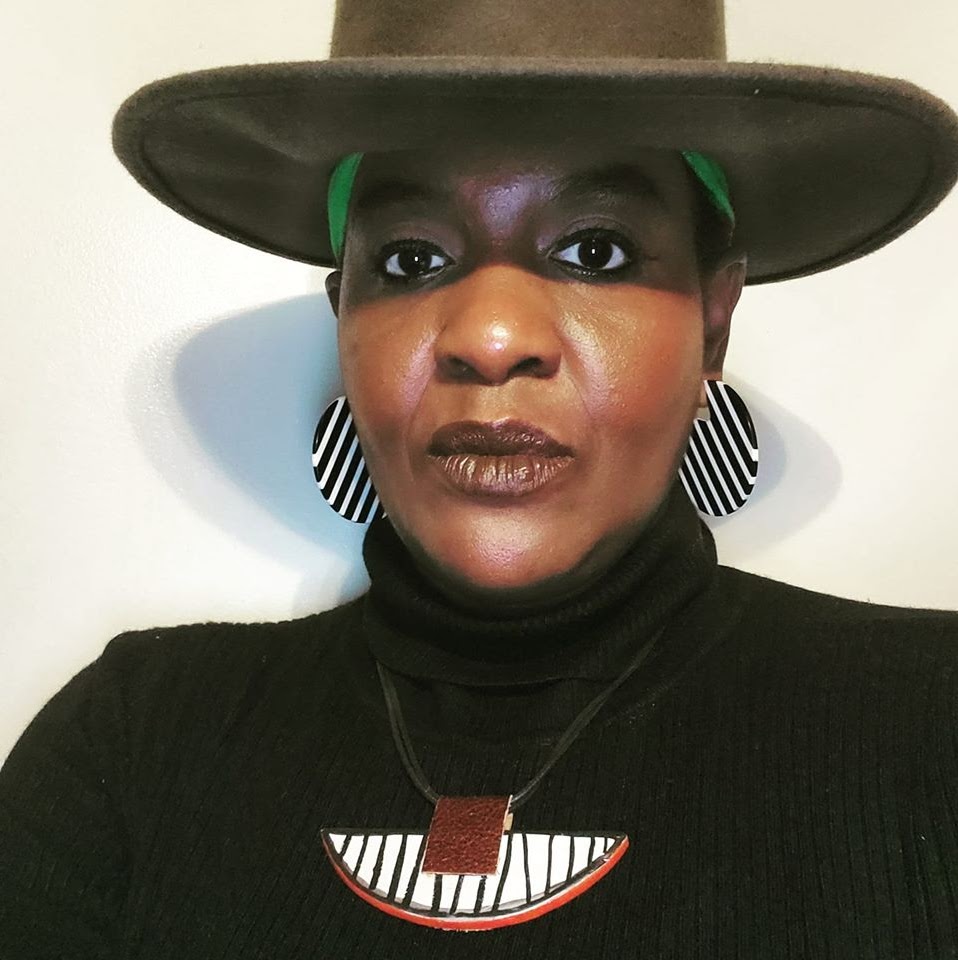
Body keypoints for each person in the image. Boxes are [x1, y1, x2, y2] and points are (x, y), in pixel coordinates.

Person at [2, 0, 957, 955]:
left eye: (596, 250)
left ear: (713, 322)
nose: (491, 339)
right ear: (345, 323)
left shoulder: (927, 723)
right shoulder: (136, 744)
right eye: (412, 259)